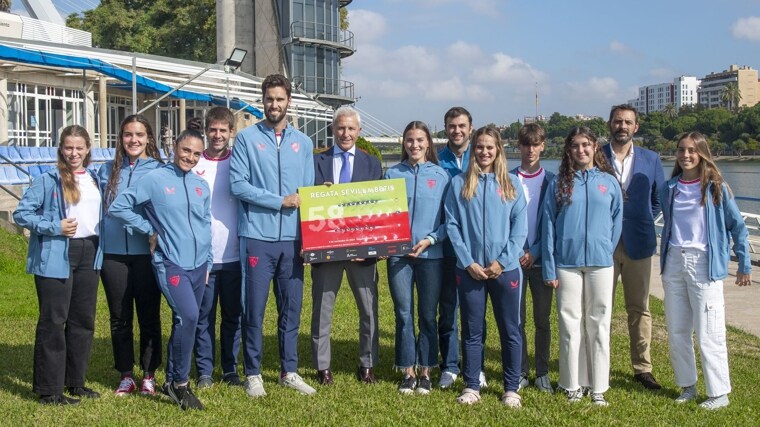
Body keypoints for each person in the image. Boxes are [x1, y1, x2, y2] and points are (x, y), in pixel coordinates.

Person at [109, 130, 211, 411]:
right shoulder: (154, 180)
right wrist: (149, 229)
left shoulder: (201, 184)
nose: (189, 157)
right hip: (171, 262)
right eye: (185, 150)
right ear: (175, 147)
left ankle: (170, 379)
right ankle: (179, 384)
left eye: (196, 153)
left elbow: (205, 226)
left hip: (199, 264)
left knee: (186, 320)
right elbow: (119, 206)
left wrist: (209, 262)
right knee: (188, 316)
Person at [230, 74, 316, 397]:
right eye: (269, 99)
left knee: (291, 307)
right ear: (262, 101)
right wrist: (279, 201)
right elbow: (238, 186)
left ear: (288, 101)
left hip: (292, 240)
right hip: (257, 237)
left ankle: (288, 370)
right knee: (254, 308)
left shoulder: (304, 143)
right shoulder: (246, 139)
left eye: (280, 99)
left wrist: (310, 239)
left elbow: (306, 195)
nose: (274, 104)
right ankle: (253, 373)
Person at [659, 131, 752, 410]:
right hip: (674, 262)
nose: (685, 156)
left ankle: (718, 392)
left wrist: (743, 263)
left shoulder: (716, 188)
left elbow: (738, 227)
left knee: (708, 330)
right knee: (677, 329)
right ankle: (687, 385)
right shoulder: (670, 188)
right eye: (681, 150)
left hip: (703, 265)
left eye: (691, 151)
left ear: (701, 154)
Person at [14, 125, 103, 405]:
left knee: (83, 322)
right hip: (58, 252)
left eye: (79, 148)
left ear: (88, 148)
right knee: (54, 321)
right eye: (68, 147)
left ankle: (75, 382)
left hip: (90, 252)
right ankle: (48, 389)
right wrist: (54, 226)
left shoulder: (95, 178)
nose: (73, 153)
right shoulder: (47, 179)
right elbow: (22, 214)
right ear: (60, 149)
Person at [444, 126, 527, 407]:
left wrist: (501, 262)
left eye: (489, 147)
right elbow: (452, 225)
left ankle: (511, 387)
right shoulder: (459, 183)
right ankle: (471, 386)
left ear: (498, 149)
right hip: (470, 271)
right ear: (473, 149)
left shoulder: (512, 184)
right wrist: (468, 262)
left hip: (505, 271)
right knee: (472, 330)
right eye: (479, 146)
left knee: (510, 329)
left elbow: (520, 229)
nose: (484, 151)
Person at [542, 127, 622, 406]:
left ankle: (597, 386)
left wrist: (605, 251)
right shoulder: (560, 183)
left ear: (595, 147)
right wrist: (550, 267)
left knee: (599, 325)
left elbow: (616, 221)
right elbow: (548, 225)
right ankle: (570, 384)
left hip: (601, 264)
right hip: (567, 263)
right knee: (569, 325)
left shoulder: (608, 182)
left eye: (586, 145)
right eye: (575, 146)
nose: (581, 150)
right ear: (568, 150)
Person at [310, 106, 382, 386]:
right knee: (322, 310)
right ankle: (322, 366)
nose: (346, 133)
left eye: (351, 128)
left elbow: (379, 207)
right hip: (327, 248)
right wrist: (320, 193)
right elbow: (308, 203)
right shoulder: (318, 161)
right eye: (341, 128)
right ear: (333, 129)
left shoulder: (372, 163)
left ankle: (367, 364)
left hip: (362, 252)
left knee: (369, 310)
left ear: (359, 131)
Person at [97, 115, 164, 396]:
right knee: (119, 317)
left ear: (149, 137)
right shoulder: (105, 171)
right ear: (120, 138)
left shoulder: (160, 170)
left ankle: (149, 373)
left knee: (149, 316)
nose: (133, 140)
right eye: (127, 134)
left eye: (139, 134)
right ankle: (126, 374)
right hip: (113, 255)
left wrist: (150, 230)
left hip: (147, 255)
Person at [384, 121, 450, 394]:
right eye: (410, 140)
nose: (415, 145)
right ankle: (407, 371)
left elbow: (450, 221)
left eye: (420, 140)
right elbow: (380, 216)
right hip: (399, 257)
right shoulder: (391, 174)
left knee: (426, 314)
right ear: (404, 143)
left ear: (428, 143)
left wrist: (430, 240)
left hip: (431, 255)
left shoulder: (442, 176)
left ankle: (426, 370)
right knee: (403, 314)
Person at [602, 104, 665, 390]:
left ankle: (642, 368)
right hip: (602, 244)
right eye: (618, 121)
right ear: (610, 124)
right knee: (601, 307)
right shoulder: (595, 155)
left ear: (636, 127)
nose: (622, 126)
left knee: (639, 308)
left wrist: (640, 220)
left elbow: (657, 199)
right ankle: (597, 363)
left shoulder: (651, 159)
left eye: (628, 122)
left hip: (639, 243)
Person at [192, 107, 243, 388]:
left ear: (231, 132)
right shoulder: (195, 161)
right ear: (206, 130)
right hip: (203, 257)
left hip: (234, 254)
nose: (218, 135)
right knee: (204, 317)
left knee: (232, 316)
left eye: (224, 130)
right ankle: (204, 371)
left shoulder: (239, 162)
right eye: (213, 130)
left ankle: (230, 368)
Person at [437, 106, 487, 388]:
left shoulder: (481, 156)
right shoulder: (437, 158)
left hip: (477, 251)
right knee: (448, 310)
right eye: (452, 126)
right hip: (445, 249)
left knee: (476, 313)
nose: (457, 130)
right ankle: (450, 365)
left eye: (462, 126)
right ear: (446, 129)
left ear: (470, 128)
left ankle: (476, 367)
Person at [511, 123, 555, 393]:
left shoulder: (552, 180)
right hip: (514, 261)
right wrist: (517, 251)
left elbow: (554, 223)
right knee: (516, 321)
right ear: (519, 146)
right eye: (526, 144)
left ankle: (542, 372)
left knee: (542, 321)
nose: (530, 149)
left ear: (543, 146)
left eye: (535, 144)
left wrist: (535, 251)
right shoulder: (507, 178)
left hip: (541, 261)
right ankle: (519, 371)